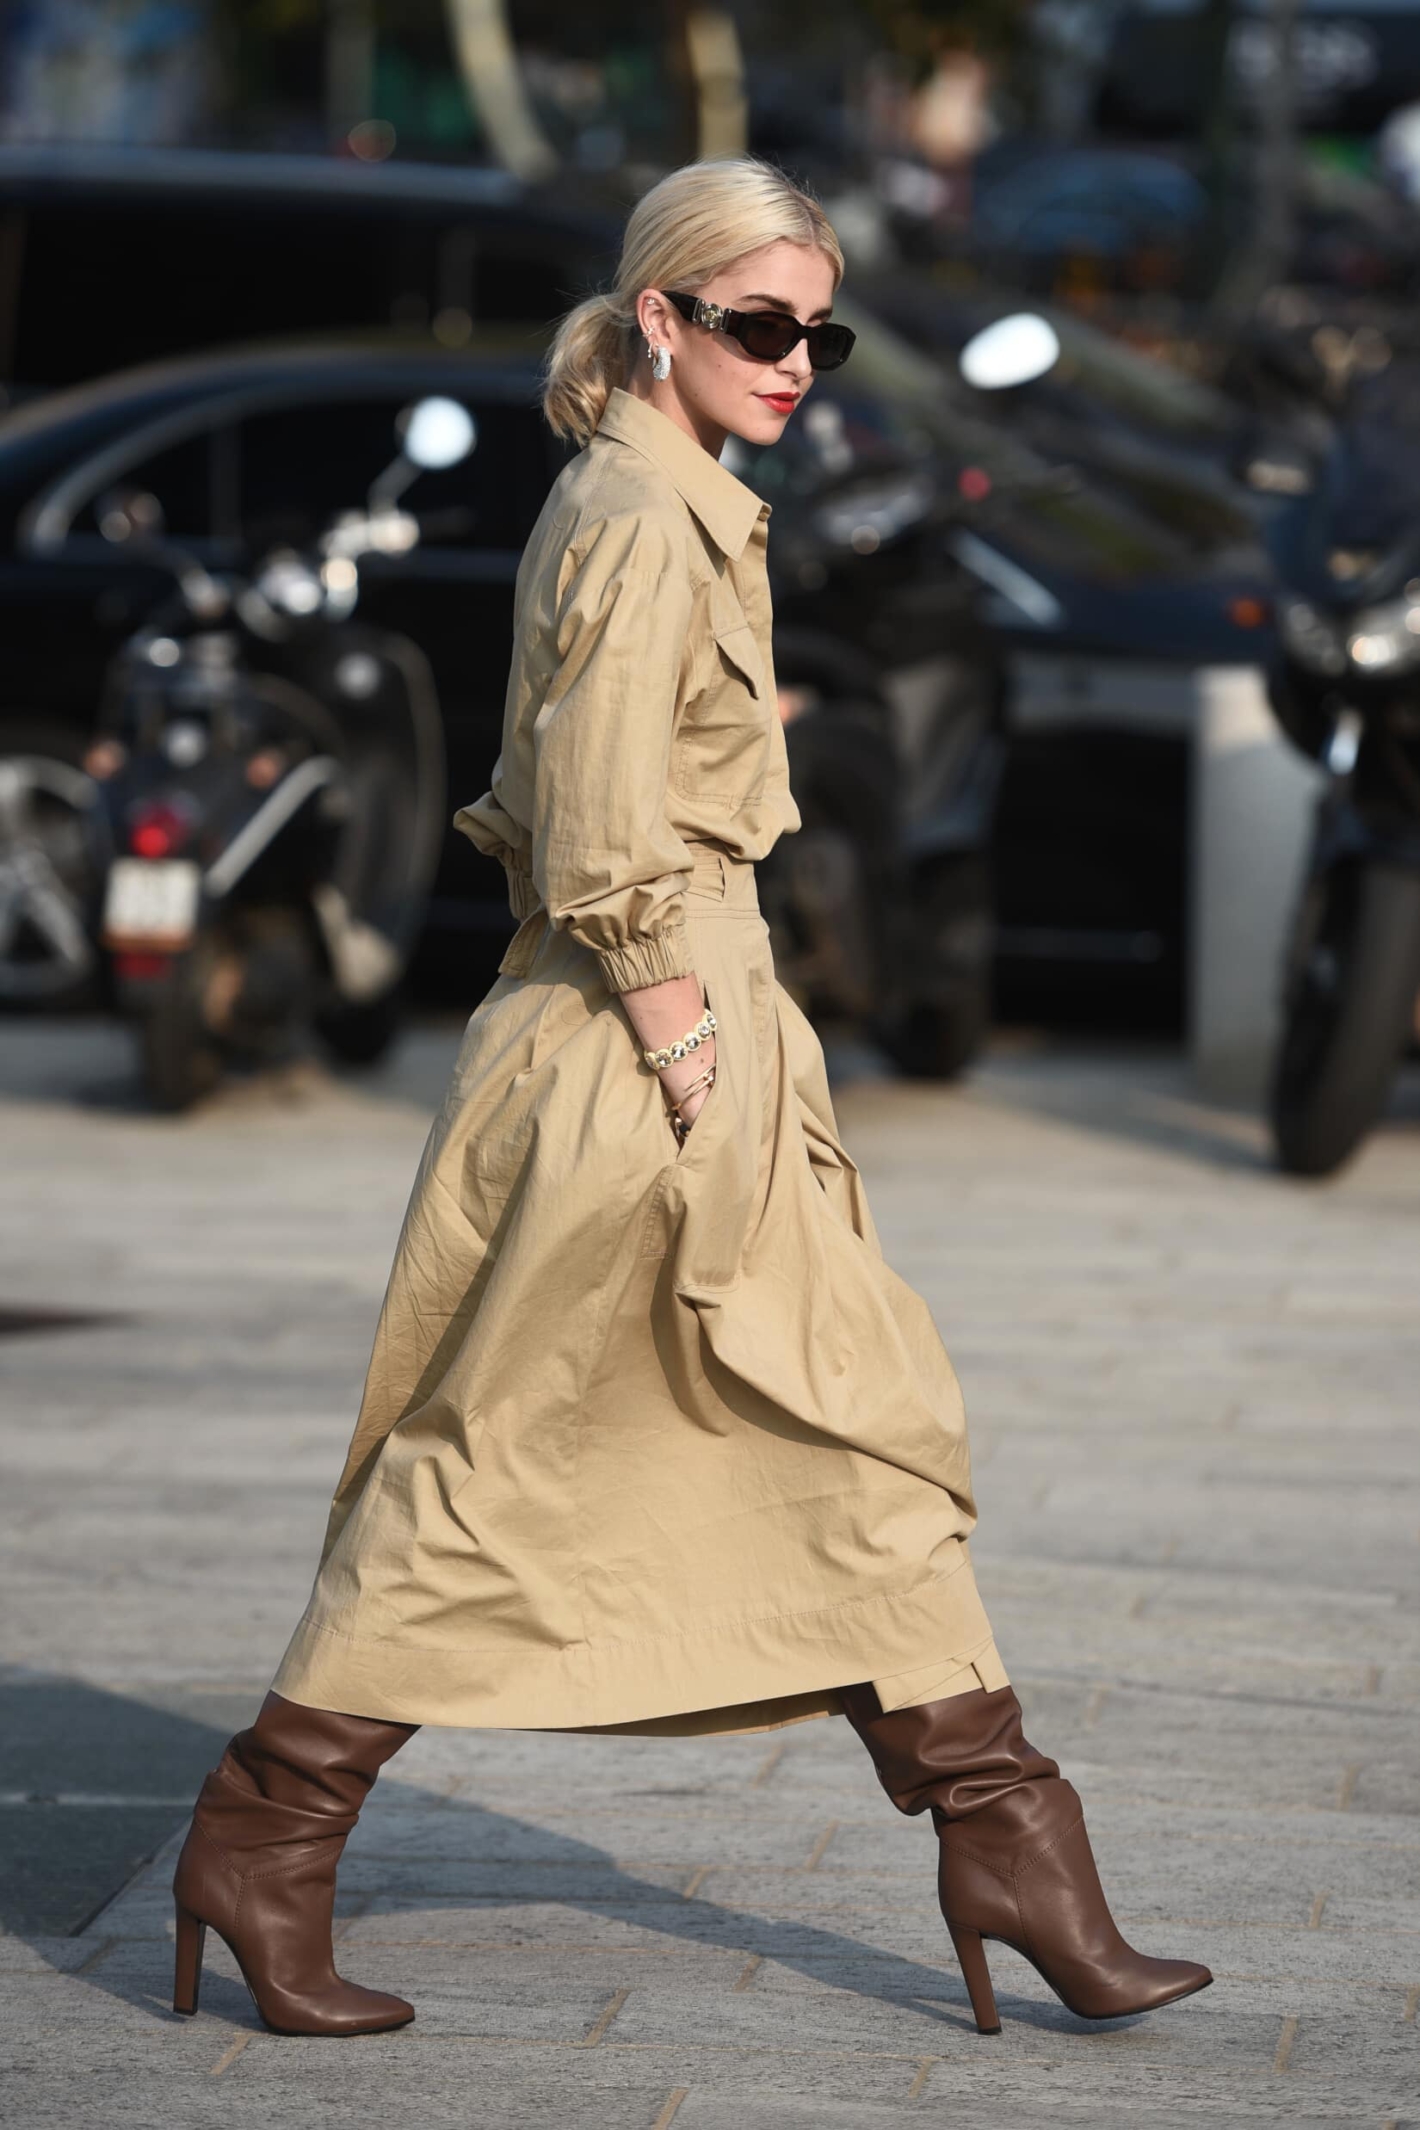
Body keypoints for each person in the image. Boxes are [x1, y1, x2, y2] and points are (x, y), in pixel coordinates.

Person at [169, 155, 1211, 2042]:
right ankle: (264, 1834)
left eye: (820, 328)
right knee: (499, 1462)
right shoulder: (646, 510)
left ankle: (1014, 1846)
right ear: (659, 317)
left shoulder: (674, 499)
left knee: (855, 1441)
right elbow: (589, 818)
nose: (797, 358)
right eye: (758, 323)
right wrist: (679, 1027)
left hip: (697, 1024)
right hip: (641, 1046)